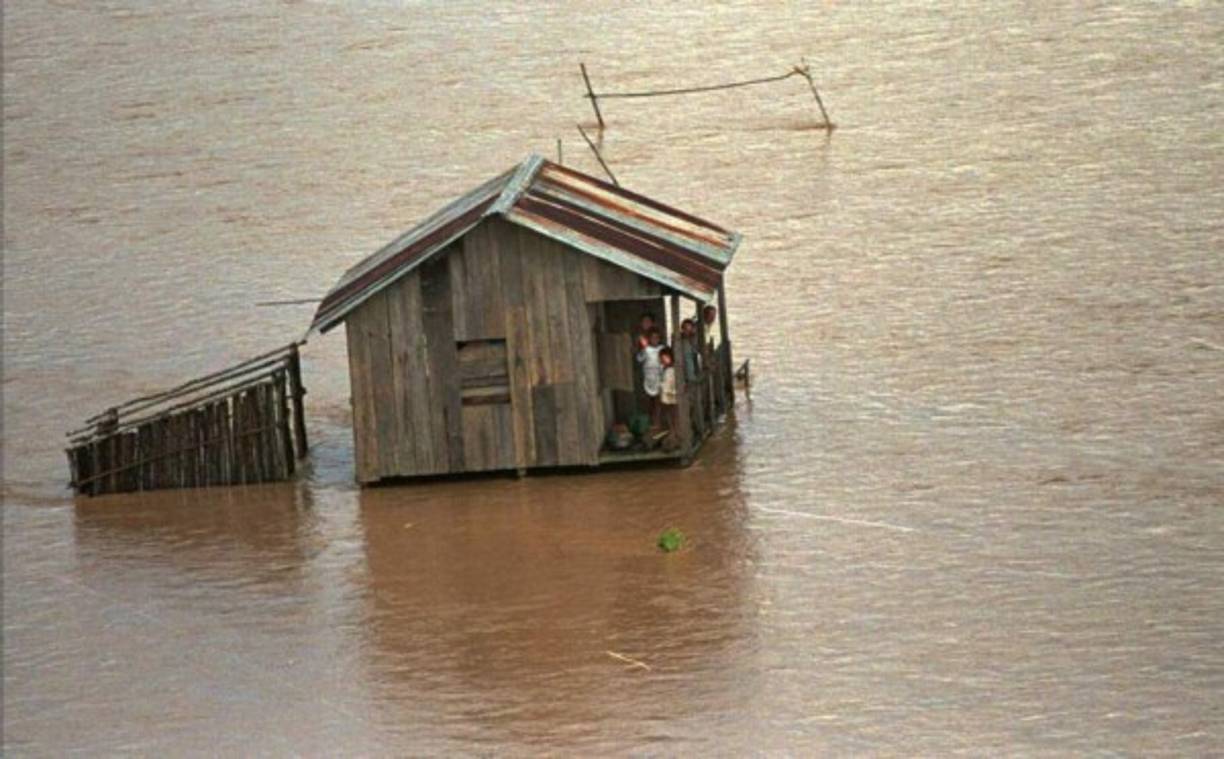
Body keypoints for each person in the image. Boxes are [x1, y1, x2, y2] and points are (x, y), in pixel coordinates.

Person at [636, 328, 664, 427]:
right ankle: (650, 423)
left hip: (659, 379)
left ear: (659, 339)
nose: (655, 340)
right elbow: (639, 359)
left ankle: (657, 423)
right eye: (652, 338)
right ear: (649, 339)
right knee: (649, 403)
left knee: (658, 402)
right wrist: (642, 348)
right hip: (648, 379)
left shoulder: (662, 349)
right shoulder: (646, 350)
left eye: (657, 338)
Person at [658, 347, 678, 448]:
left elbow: (669, 385)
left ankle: (673, 434)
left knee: (673, 416)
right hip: (667, 397)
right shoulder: (666, 369)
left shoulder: (672, 370)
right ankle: (672, 433)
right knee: (669, 416)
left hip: (671, 396)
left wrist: (662, 386)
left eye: (664, 358)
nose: (662, 360)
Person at [679, 318, 701, 383]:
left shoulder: (694, 340)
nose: (687, 332)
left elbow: (697, 352)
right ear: (682, 329)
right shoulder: (680, 342)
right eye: (686, 329)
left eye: (689, 330)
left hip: (694, 371)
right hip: (683, 372)